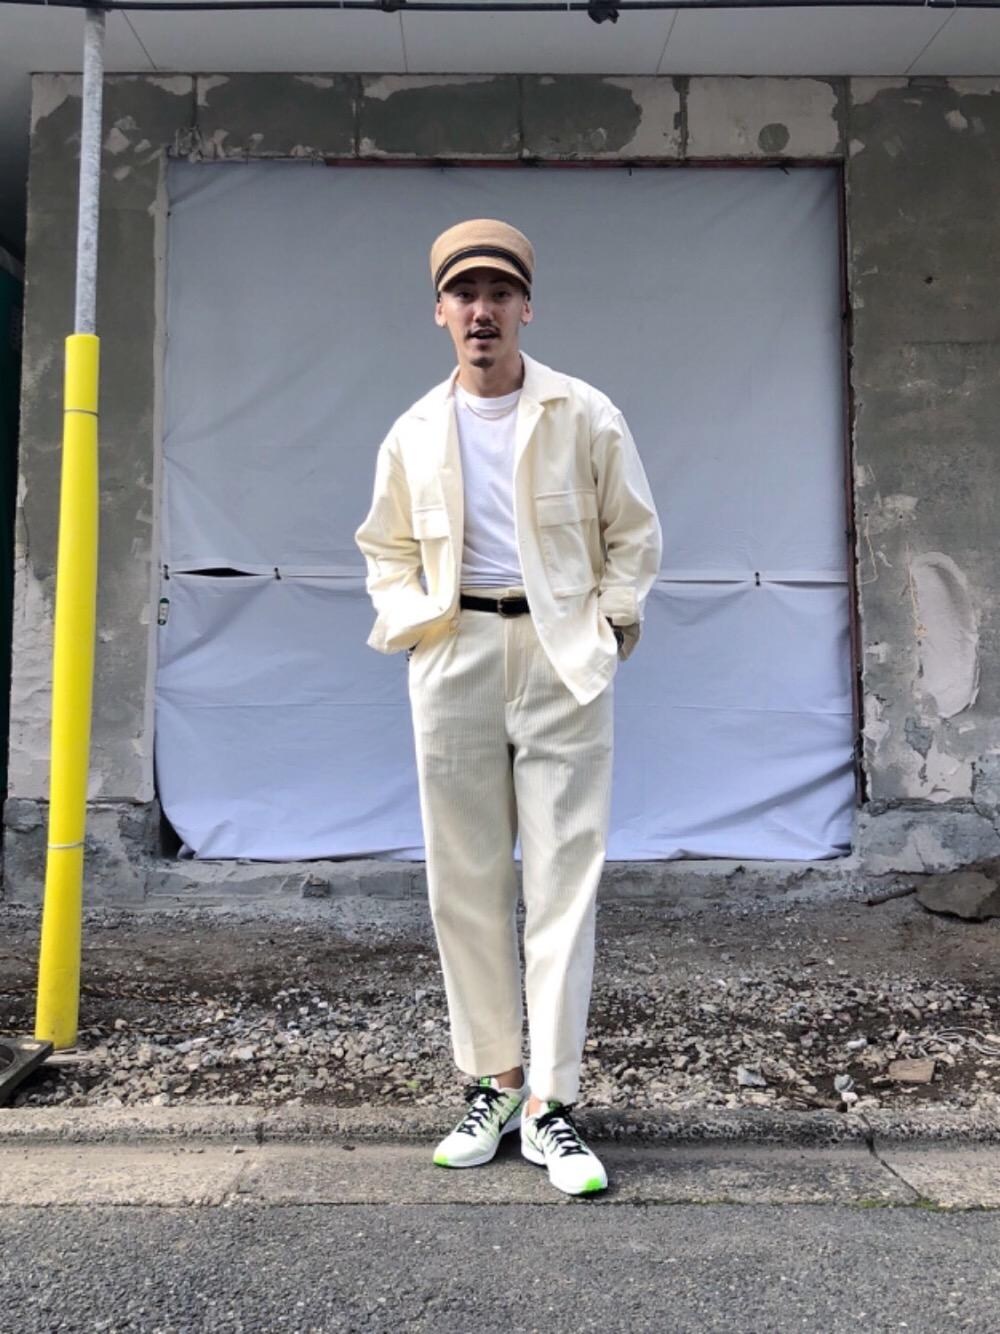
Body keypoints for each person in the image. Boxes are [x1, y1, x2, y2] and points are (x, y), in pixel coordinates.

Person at [355, 219, 662, 1196]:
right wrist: (417, 621)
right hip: (455, 653)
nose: (480, 310)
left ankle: (552, 1105)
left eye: (498, 292)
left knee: (565, 880)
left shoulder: (583, 412)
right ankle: (494, 1081)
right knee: (465, 879)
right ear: (439, 311)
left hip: (561, 655)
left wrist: (609, 627)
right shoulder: (413, 431)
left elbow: (634, 534)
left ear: (527, 306)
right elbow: (383, 548)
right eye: (464, 294)